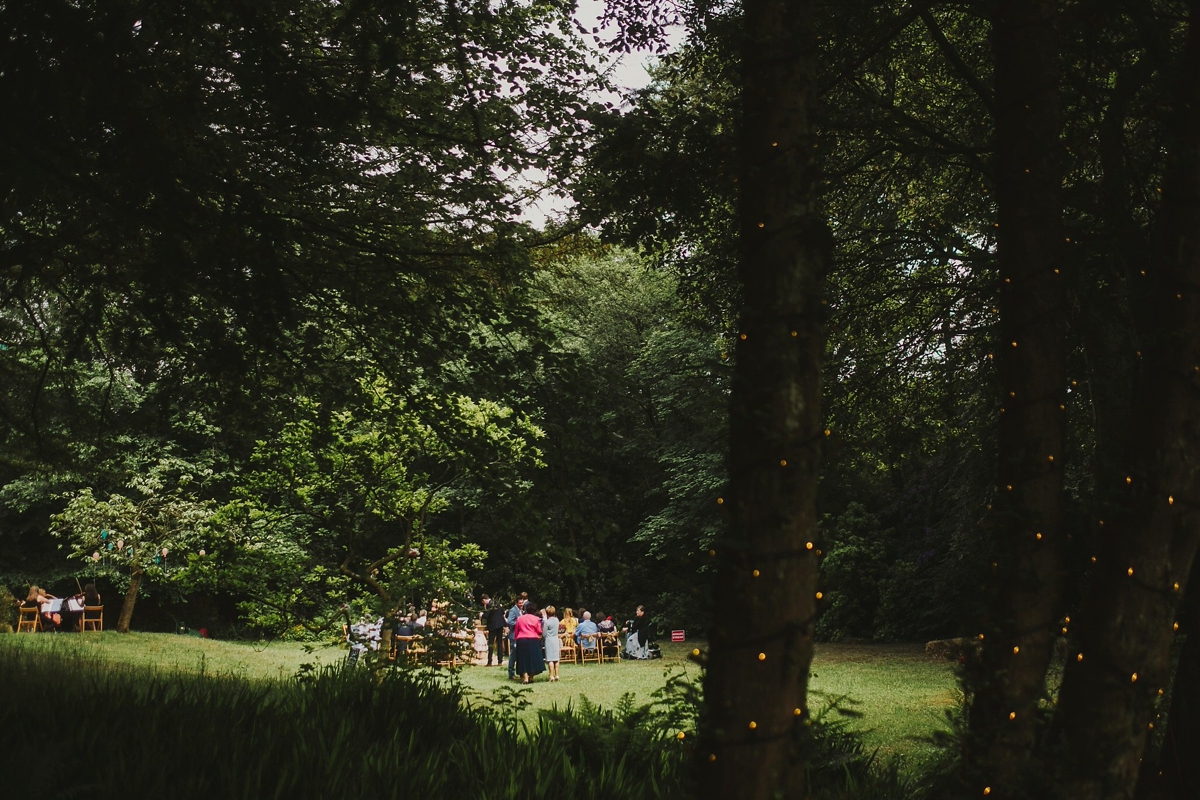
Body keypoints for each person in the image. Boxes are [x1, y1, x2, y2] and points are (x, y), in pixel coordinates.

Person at [514, 601, 546, 684]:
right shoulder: (536, 619)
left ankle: (525, 678)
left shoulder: (519, 618)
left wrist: (516, 639)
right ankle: (531, 676)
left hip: (521, 639)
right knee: (533, 658)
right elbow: (539, 631)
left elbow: (516, 630)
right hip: (533, 639)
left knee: (523, 658)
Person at [480, 594, 507, 667]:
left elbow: (486, 615)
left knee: (491, 643)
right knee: (499, 643)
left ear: (484, 600)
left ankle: (489, 662)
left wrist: (482, 614)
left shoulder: (489, 605)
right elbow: (503, 612)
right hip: (500, 625)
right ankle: (500, 661)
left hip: (493, 626)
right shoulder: (497, 603)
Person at [506, 594, 526, 680]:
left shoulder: (522, 610)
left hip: (520, 635)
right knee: (513, 655)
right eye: (520, 603)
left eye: (522, 603)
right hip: (514, 635)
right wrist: (520, 624)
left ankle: (521, 672)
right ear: (516, 603)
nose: (521, 604)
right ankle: (511, 673)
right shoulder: (513, 611)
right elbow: (510, 621)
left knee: (520, 655)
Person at [543, 605, 562, 682]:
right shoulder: (557, 620)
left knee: (550, 659)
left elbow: (544, 633)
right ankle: (557, 674)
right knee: (556, 658)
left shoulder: (546, 622)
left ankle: (551, 676)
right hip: (555, 639)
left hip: (549, 640)